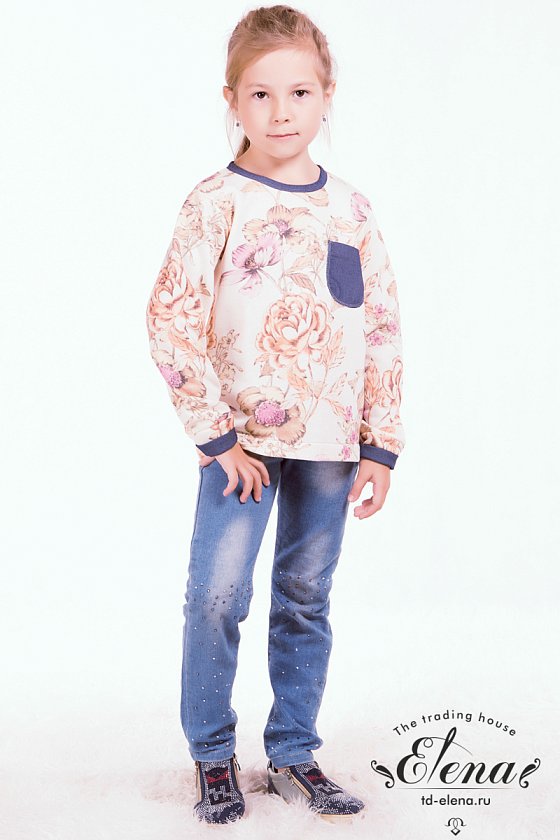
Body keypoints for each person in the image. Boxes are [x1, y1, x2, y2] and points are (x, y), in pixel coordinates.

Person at [145, 3, 405, 826]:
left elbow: (381, 326)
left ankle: (294, 751)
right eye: (260, 94)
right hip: (242, 450)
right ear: (232, 100)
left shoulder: (352, 211)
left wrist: (380, 443)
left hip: (331, 446)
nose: (281, 112)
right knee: (217, 596)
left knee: (304, 595)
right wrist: (214, 434)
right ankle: (212, 753)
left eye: (299, 93)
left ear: (327, 97)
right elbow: (171, 318)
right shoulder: (215, 201)